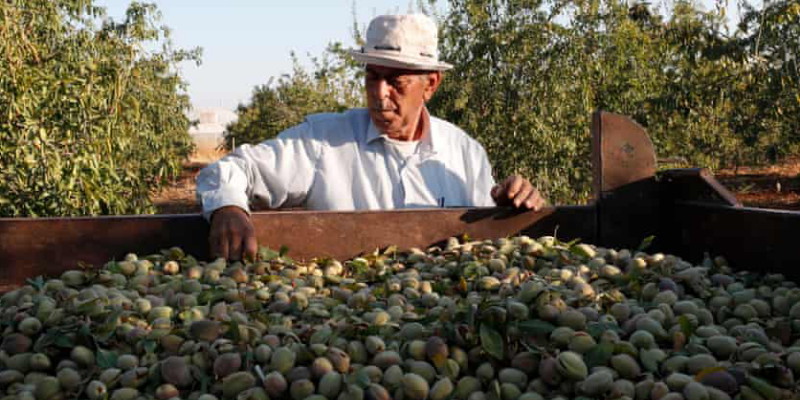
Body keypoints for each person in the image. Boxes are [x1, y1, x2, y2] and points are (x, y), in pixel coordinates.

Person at [196, 14, 545, 261]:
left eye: (395, 81)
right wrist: (228, 207)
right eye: (372, 77)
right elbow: (230, 170)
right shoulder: (324, 142)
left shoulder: (464, 152)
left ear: (431, 84)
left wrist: (511, 207)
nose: (379, 94)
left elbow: (484, 242)